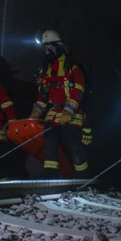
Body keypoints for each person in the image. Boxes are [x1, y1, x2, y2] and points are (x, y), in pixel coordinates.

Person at [30, 30, 90, 178]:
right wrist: (35, 113)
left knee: (75, 149)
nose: (47, 50)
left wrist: (68, 112)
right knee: (49, 149)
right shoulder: (46, 71)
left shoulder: (72, 68)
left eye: (50, 46)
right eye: (45, 47)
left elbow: (78, 91)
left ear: (59, 46)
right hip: (53, 116)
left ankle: (84, 179)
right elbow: (43, 97)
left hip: (72, 115)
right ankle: (50, 179)